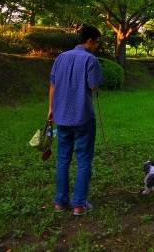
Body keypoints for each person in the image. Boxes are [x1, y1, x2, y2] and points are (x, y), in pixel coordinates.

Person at [48, 25, 103, 216]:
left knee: (63, 159)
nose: (96, 46)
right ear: (89, 40)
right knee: (83, 160)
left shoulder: (61, 57)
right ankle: (79, 204)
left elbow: (53, 85)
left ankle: (60, 202)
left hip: (61, 116)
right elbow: (94, 85)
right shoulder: (90, 59)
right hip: (83, 117)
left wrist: (51, 109)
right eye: (96, 42)